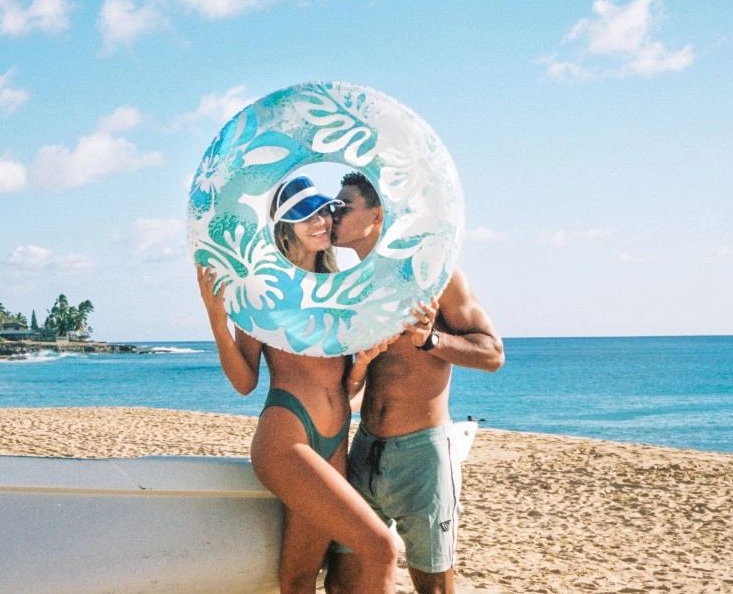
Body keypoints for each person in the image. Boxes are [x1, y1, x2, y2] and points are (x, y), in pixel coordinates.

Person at [196, 174, 399, 594]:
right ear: (285, 227)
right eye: (306, 215)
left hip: (335, 440)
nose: (320, 221)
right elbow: (244, 382)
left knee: (299, 577)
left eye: (324, 211)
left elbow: (347, 389)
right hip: (286, 437)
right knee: (380, 548)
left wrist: (362, 364)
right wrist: (217, 321)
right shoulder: (261, 291)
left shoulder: (341, 291)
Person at [325, 172, 505, 594]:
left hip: (422, 456)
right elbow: (355, 384)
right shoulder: (350, 289)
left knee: (434, 588)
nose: (332, 214)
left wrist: (431, 340)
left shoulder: (434, 275)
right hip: (365, 449)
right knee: (342, 583)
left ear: (377, 215)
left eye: (343, 206)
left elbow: (493, 354)